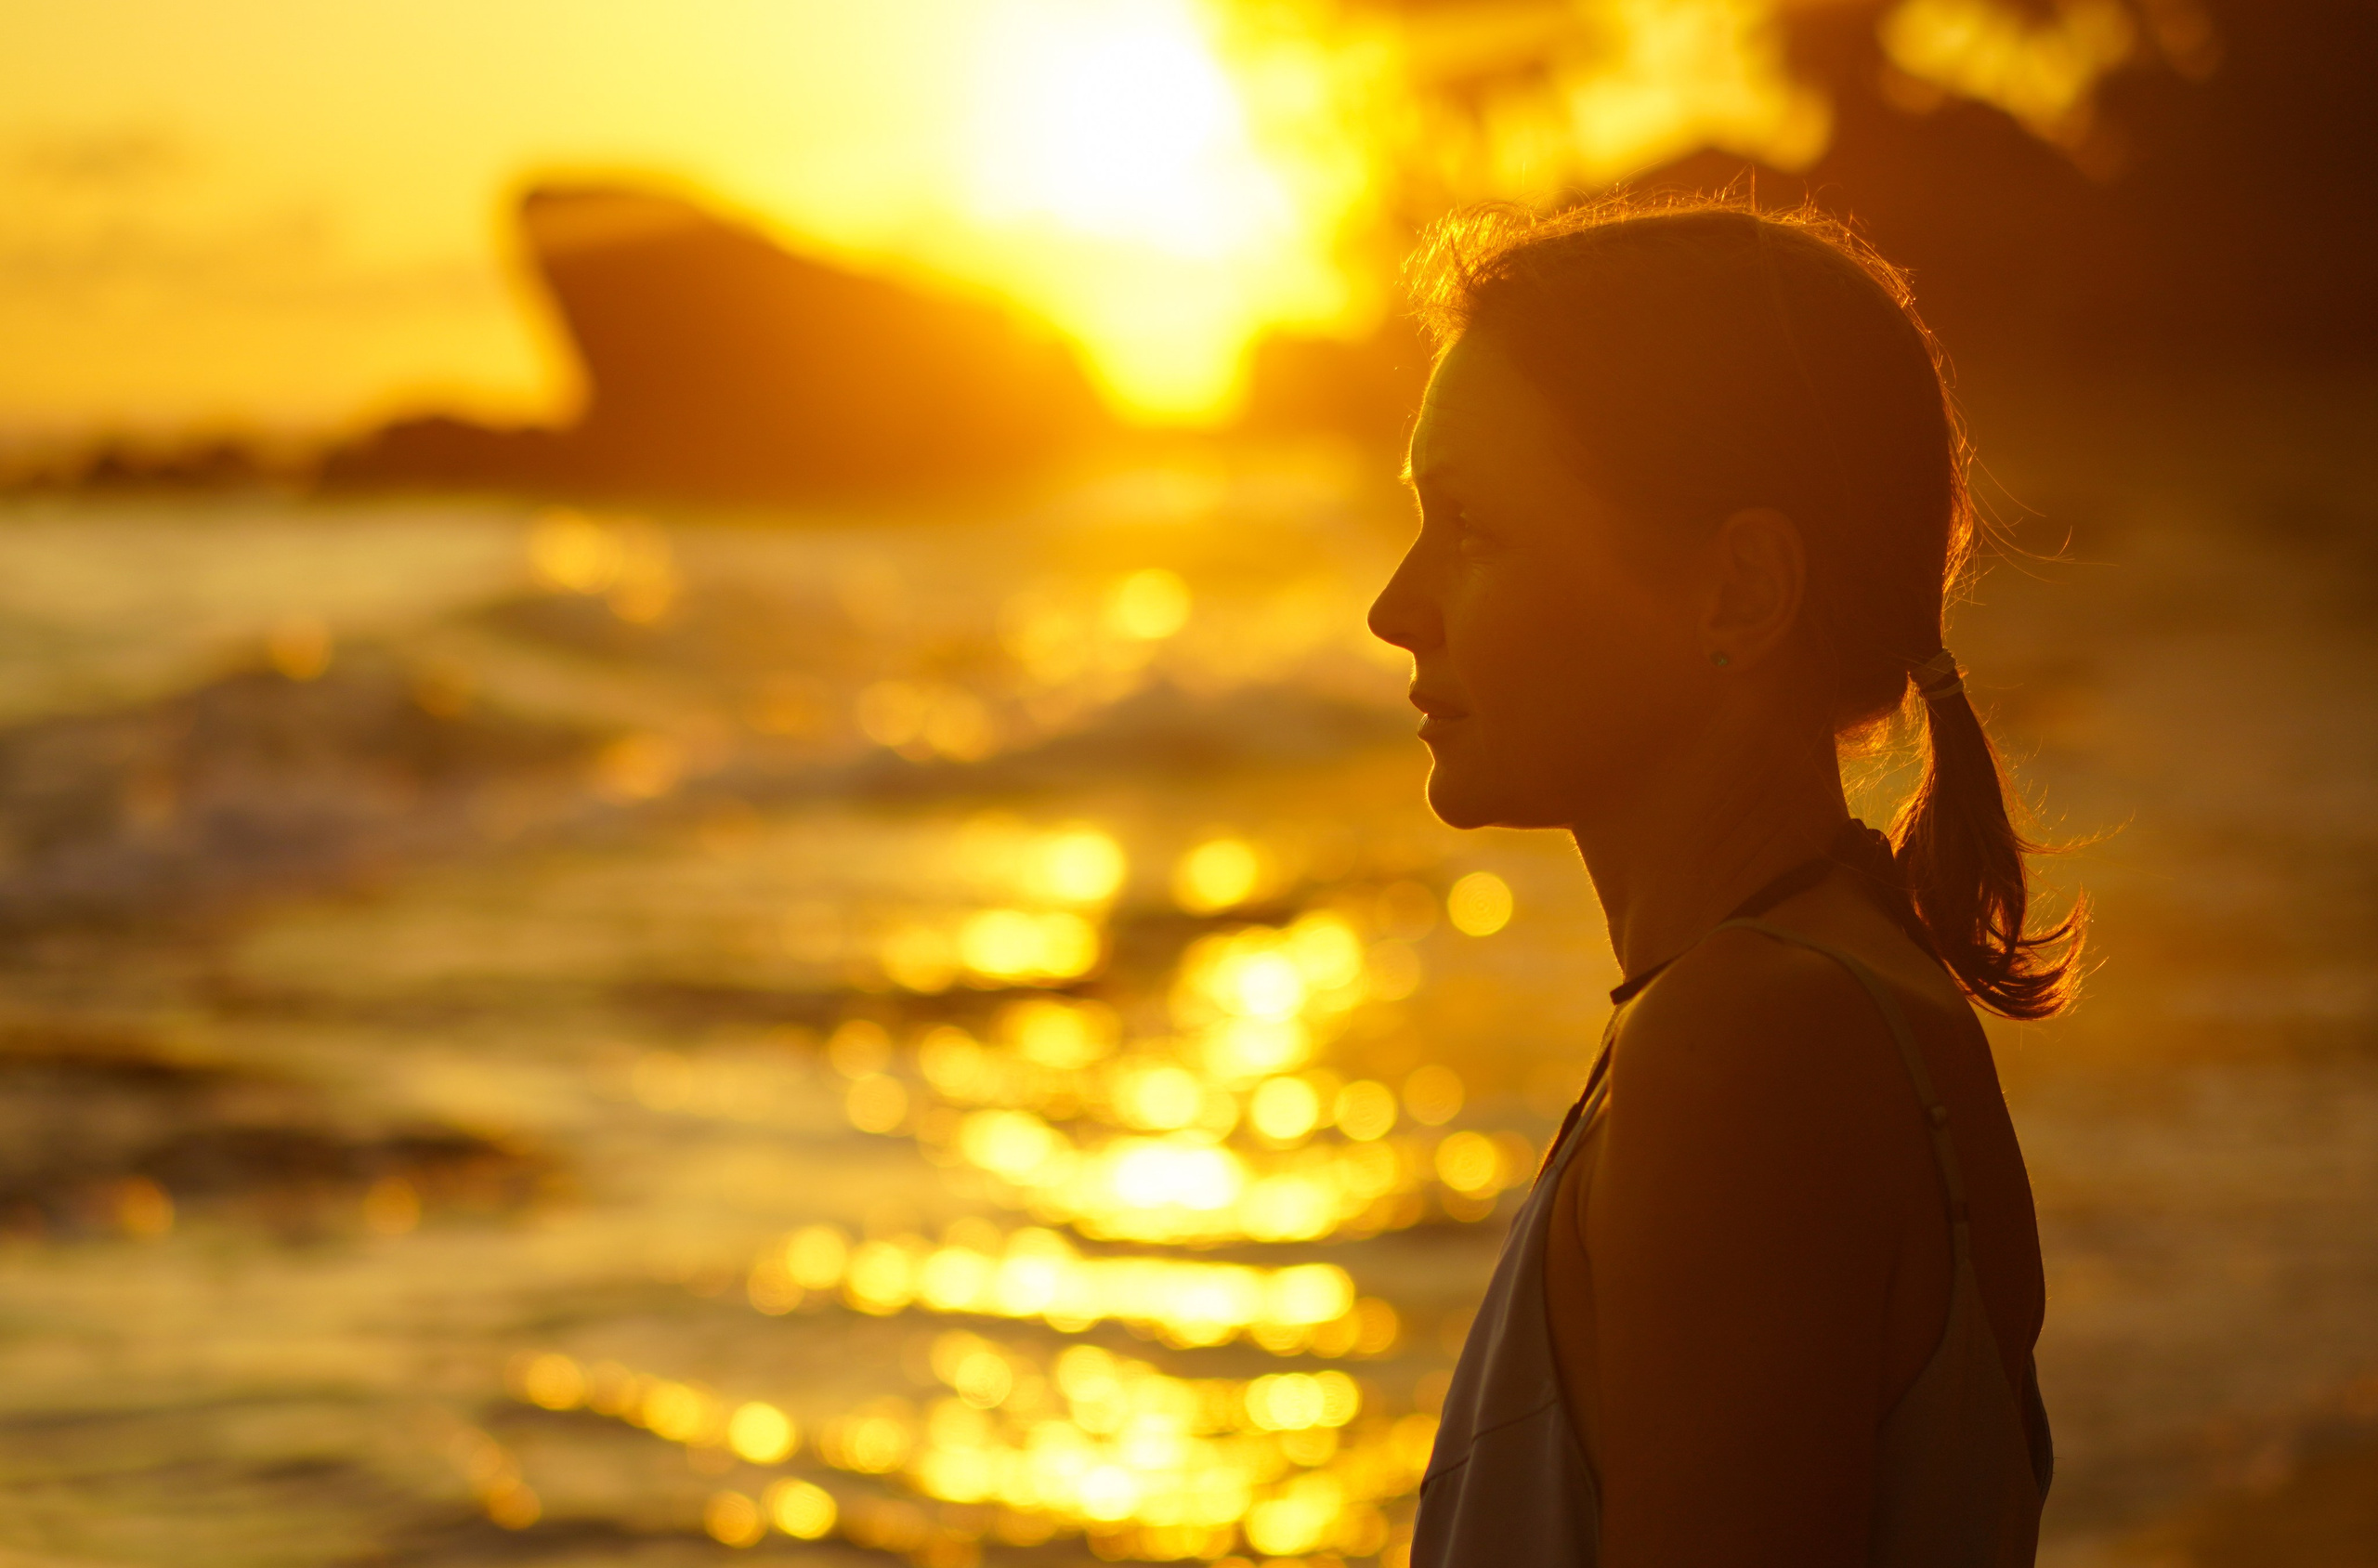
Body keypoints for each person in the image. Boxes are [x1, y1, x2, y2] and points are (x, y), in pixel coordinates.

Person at [1368, 199, 2082, 1567]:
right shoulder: (1815, 991)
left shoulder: (1752, 1049)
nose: (1394, 606)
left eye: (1469, 527)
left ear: (1740, 592)